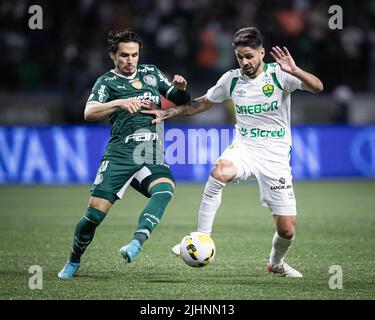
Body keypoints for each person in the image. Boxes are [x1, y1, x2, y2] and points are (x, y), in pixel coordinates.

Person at [144, 27, 323, 277]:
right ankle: (200, 236)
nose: (245, 62)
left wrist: (295, 70)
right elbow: (203, 102)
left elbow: (317, 87)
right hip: (245, 147)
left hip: (275, 157)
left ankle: (275, 263)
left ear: (262, 53)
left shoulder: (279, 75)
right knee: (220, 172)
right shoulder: (232, 79)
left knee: (287, 230)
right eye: (240, 57)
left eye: (249, 56)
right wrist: (169, 113)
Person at [58, 28, 191, 279]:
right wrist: (118, 103)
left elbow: (179, 98)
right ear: (113, 55)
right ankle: (73, 261)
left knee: (165, 187)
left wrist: (181, 88)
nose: (130, 61)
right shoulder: (106, 82)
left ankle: (136, 242)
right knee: (94, 215)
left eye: (134, 55)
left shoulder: (151, 73)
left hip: (148, 152)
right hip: (120, 154)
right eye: (124, 55)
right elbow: (89, 112)